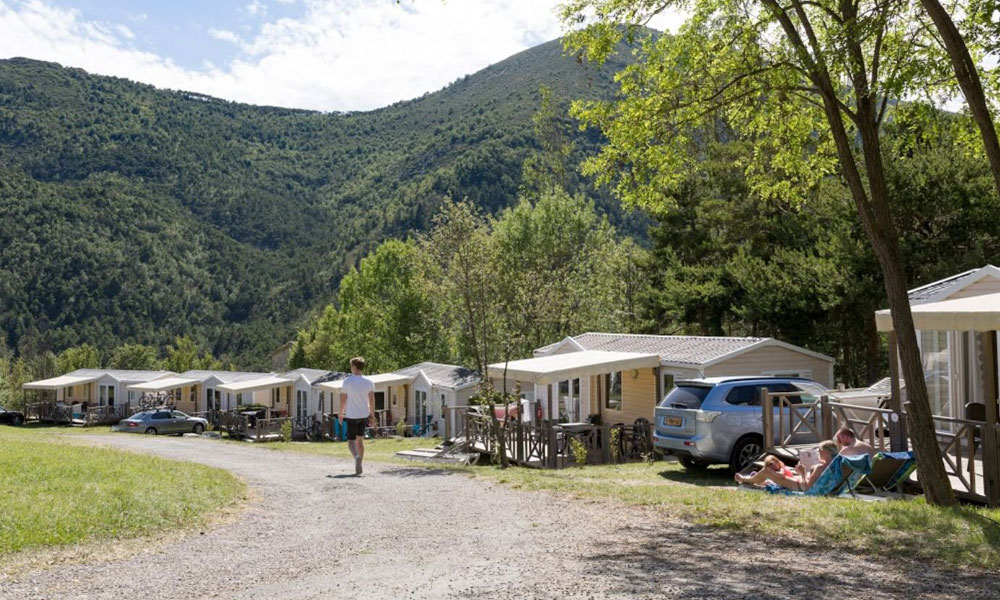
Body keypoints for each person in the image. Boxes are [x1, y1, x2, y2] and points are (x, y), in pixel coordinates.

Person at [735, 440, 838, 491]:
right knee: (773, 475)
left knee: (766, 471)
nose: (818, 452)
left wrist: (802, 473)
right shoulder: (830, 464)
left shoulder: (820, 467)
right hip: (799, 480)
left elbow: (807, 487)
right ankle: (757, 480)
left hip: (798, 485)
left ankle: (745, 479)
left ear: (826, 452)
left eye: (819, 450)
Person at [340, 356, 375, 476]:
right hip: (363, 414)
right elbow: (371, 399)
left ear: (354, 367)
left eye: (351, 366)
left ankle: (356, 457)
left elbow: (343, 398)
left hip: (351, 415)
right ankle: (360, 463)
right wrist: (372, 415)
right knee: (360, 440)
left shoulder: (347, 381)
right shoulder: (369, 382)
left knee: (351, 442)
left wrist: (340, 413)